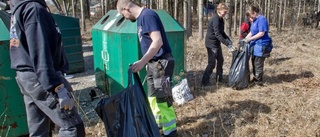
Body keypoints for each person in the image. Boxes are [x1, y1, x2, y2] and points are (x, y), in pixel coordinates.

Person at [9, 0, 85, 136]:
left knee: (39, 130)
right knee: (72, 126)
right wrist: (57, 87)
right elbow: (40, 53)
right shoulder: (34, 10)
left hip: (26, 77)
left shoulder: (21, 6)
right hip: (40, 78)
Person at [116, 0, 177, 136]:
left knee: (163, 100)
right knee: (152, 98)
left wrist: (142, 62)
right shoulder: (140, 20)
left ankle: (170, 132)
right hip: (153, 64)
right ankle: (157, 126)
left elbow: (157, 41)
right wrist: (145, 62)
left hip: (161, 63)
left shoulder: (147, 16)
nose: (124, 17)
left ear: (126, 8)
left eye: (122, 14)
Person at [202, 2, 236, 86]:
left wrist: (228, 39)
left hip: (216, 44)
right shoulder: (215, 19)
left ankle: (219, 78)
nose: (225, 14)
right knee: (212, 63)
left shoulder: (221, 19)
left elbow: (222, 32)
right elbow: (217, 34)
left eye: (226, 12)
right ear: (219, 10)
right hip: (211, 44)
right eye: (224, 12)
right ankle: (204, 82)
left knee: (220, 60)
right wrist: (226, 44)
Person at [243, 5, 273, 86]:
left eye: (251, 16)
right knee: (253, 62)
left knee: (258, 64)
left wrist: (250, 39)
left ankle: (258, 81)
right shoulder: (254, 21)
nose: (251, 18)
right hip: (255, 45)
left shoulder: (261, 19)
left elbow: (261, 33)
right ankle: (255, 78)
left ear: (255, 13)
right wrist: (245, 39)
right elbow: (252, 32)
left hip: (262, 45)